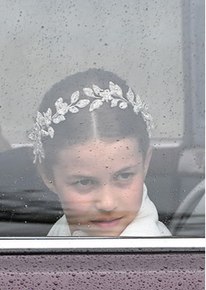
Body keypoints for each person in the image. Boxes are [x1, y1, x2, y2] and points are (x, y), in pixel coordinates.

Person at [28, 68, 171, 237]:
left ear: (145, 163)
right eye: (84, 182)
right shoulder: (64, 230)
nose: (107, 203)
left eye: (124, 176)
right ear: (47, 176)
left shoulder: (147, 253)